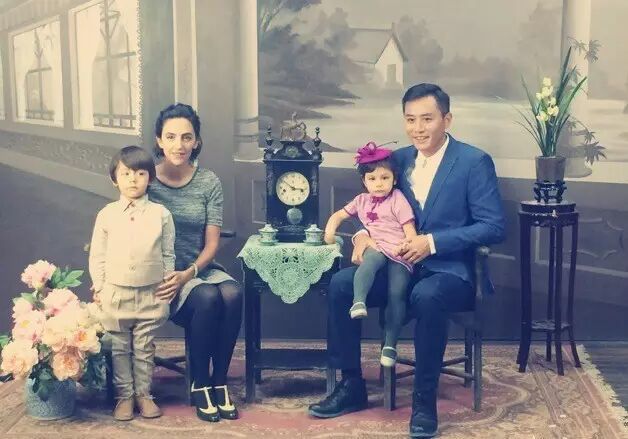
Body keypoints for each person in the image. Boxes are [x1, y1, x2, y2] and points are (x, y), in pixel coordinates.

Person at [309, 83, 505, 438]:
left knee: (427, 296)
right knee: (340, 285)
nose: (418, 128)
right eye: (410, 119)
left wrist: (432, 243)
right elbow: (373, 208)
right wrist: (362, 235)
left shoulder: (474, 162)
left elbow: (493, 226)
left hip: (450, 271)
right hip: (396, 263)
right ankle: (351, 385)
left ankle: (424, 402)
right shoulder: (396, 160)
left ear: (447, 119)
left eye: (427, 119)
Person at [147, 103, 243, 422]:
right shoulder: (146, 181)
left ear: (196, 141)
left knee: (232, 293)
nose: (179, 145)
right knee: (207, 296)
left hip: (198, 267)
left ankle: (219, 382)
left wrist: (190, 272)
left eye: (186, 137)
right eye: (171, 137)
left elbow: (212, 244)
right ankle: (200, 383)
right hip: (162, 276)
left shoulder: (208, 182)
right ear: (159, 140)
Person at [89, 145, 175, 421]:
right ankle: (124, 396)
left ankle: (144, 394)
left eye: (140, 173)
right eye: (126, 173)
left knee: (144, 347)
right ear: (114, 179)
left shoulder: (161, 214)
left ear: (150, 177)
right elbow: (98, 255)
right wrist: (100, 287)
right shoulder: (107, 214)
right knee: (119, 347)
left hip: (151, 292)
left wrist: (166, 287)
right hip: (116, 293)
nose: (133, 180)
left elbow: (168, 254)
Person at [323, 142, 417, 367]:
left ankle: (390, 345)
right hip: (376, 246)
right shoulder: (361, 201)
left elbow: (410, 232)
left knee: (397, 292)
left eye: (385, 178)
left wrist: (405, 246)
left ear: (394, 179)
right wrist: (329, 232)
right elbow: (338, 216)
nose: (379, 184)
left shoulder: (397, 199)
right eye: (372, 179)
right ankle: (359, 302)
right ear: (364, 182)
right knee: (370, 260)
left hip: (398, 252)